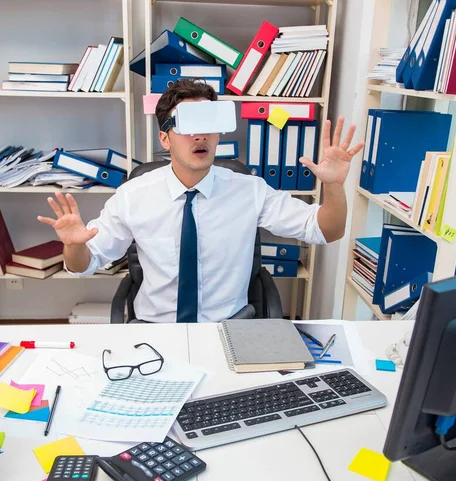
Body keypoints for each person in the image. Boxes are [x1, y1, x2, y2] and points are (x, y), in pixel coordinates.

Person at [38, 79, 364, 323]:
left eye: (208, 124)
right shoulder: (132, 195)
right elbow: (83, 264)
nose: (200, 135)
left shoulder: (249, 190)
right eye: (187, 125)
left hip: (231, 330)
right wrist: (74, 245)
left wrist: (334, 186)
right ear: (165, 138)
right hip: (155, 331)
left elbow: (327, 231)